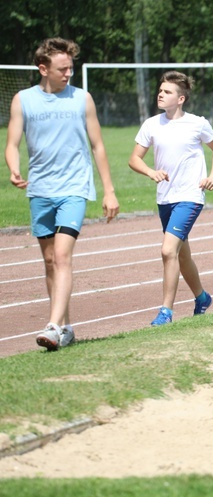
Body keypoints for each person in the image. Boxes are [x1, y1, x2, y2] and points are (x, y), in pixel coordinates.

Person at [5, 37, 120, 351]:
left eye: (71, 67)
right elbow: (12, 143)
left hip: (74, 189)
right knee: (49, 261)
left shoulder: (82, 99)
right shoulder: (23, 100)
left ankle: (53, 325)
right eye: (62, 68)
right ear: (43, 69)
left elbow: (98, 146)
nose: (69, 73)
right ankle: (66, 327)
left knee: (62, 256)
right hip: (40, 191)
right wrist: (14, 169)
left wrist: (109, 191)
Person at [129, 71, 213, 326]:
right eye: (160, 90)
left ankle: (165, 312)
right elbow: (134, 158)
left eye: (167, 91)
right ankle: (202, 298)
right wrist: (151, 172)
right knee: (181, 255)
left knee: (167, 250)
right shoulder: (151, 124)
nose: (161, 94)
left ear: (181, 98)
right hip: (165, 198)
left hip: (190, 196)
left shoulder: (197, 123)